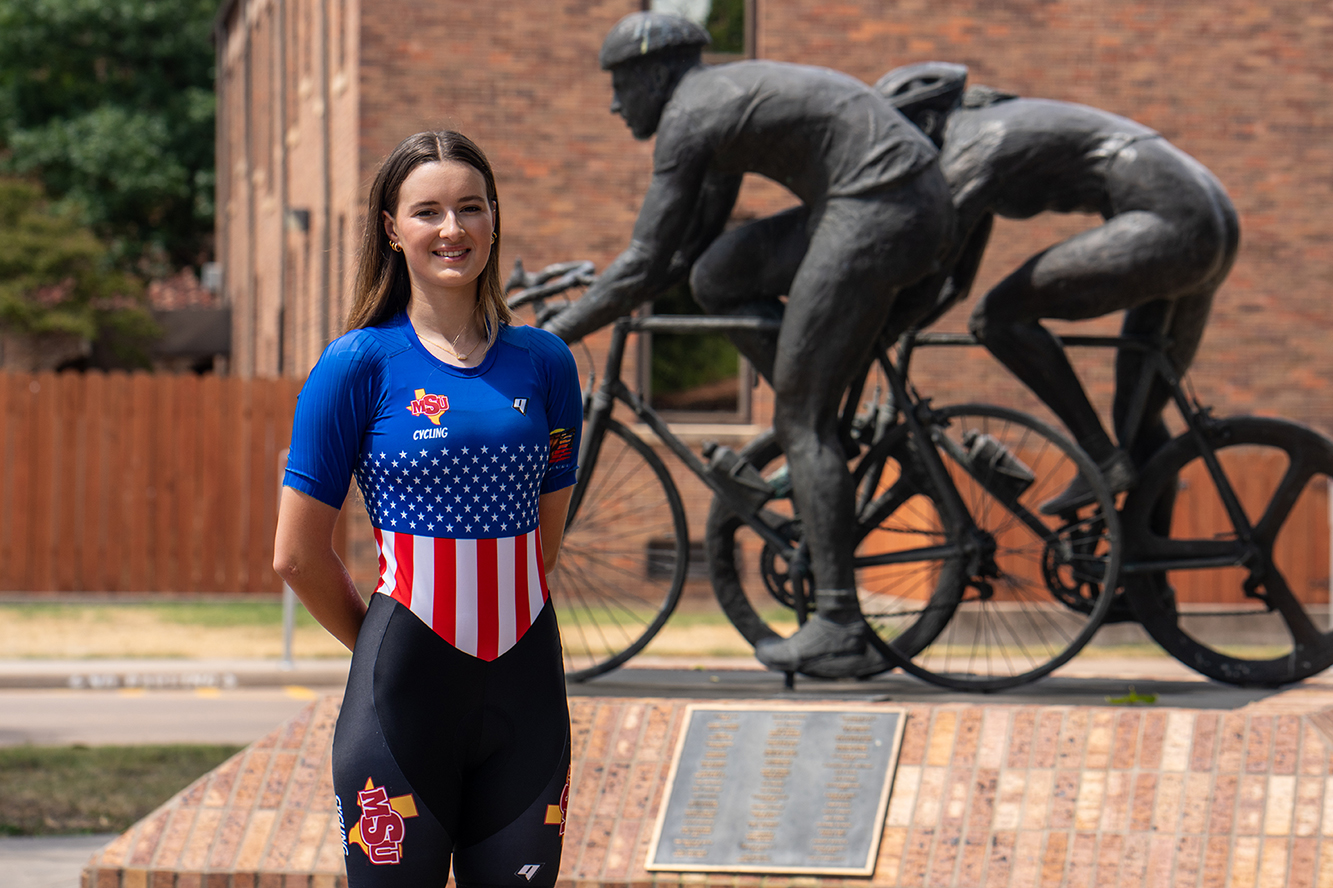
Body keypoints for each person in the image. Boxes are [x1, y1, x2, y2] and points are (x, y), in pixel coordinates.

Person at [544, 11, 954, 677]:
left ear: (656, 73)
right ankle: (815, 418)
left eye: (621, 84)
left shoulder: (690, 116)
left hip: (884, 207)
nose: (615, 104)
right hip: (889, 200)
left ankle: (839, 623)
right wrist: (592, 297)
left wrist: (548, 337)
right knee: (720, 275)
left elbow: (647, 259)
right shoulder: (714, 109)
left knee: (801, 417)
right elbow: (687, 255)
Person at [273, 131, 582, 888]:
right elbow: (295, 555)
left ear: (494, 219)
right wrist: (387, 646)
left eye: (470, 208)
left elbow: (543, 543)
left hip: (527, 700)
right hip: (400, 702)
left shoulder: (545, 361)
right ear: (392, 228)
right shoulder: (356, 364)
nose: (452, 229)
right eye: (429, 211)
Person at [877, 63, 1240, 514]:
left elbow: (935, 249)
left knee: (1000, 319)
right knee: (1139, 420)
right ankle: (1146, 575)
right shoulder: (992, 135)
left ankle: (1098, 458)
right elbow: (954, 278)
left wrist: (875, 322)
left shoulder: (974, 142)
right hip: (1208, 218)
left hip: (1173, 222)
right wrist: (902, 323)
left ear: (926, 123)